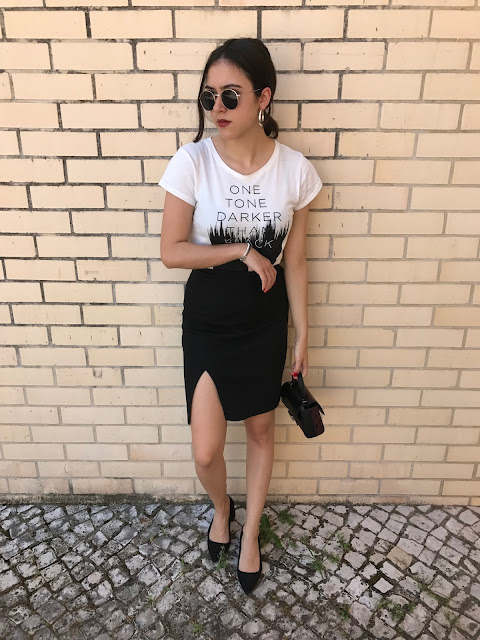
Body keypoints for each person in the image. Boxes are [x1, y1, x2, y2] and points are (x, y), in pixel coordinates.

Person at [158, 37, 323, 594]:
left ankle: (249, 532)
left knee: (259, 431)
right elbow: (171, 251)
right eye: (209, 97)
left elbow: (295, 260)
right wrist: (240, 250)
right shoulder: (192, 161)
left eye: (231, 95)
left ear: (263, 98)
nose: (218, 108)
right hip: (209, 318)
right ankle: (221, 506)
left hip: (264, 320)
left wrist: (303, 332)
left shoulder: (295, 171)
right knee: (206, 449)